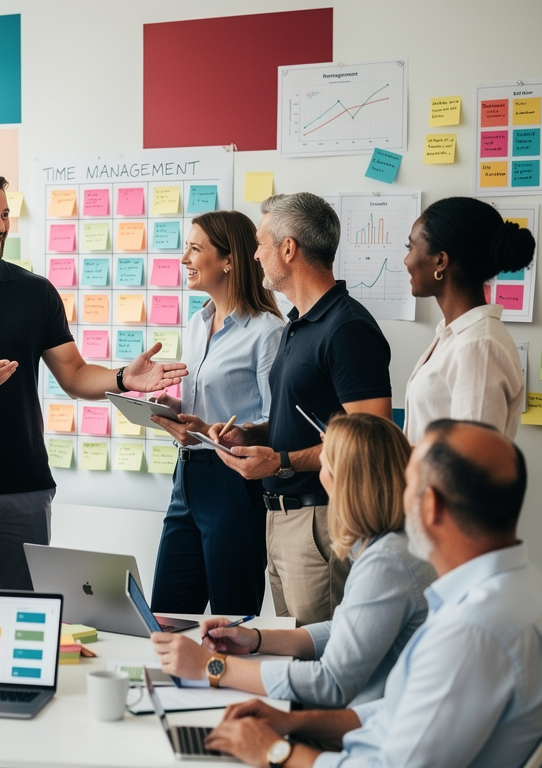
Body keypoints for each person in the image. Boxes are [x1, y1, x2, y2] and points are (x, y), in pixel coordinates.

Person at [0, 170, 188, 590]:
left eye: (6, 214)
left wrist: (123, 378)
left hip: (25, 486)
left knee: (25, 621)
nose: (1, 226)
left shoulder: (36, 292)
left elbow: (75, 374)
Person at [203, 419, 542, 768]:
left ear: (431, 506)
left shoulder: (470, 631)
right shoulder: (514, 589)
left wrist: (277, 752)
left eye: (408, 481)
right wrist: (293, 721)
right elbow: (402, 711)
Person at [152, 413, 436, 709]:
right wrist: (255, 639)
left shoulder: (387, 563)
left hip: (360, 725)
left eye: (326, 457)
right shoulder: (387, 547)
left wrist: (211, 666)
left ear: (346, 477)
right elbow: (339, 629)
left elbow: (329, 683)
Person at [211, 192, 392, 626]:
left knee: (321, 665)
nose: (254, 256)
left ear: (288, 249)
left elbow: (370, 439)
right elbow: (303, 420)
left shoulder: (346, 328)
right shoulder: (298, 324)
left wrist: (282, 461)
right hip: (281, 520)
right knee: (294, 659)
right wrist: (252, 435)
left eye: (260, 243)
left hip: (321, 520)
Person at [148, 210, 283, 615]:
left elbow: (277, 424)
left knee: (232, 618)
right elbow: (201, 406)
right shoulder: (196, 322)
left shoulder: (267, 331)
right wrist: (173, 409)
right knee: (166, 616)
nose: (184, 259)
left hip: (233, 485)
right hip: (186, 478)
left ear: (229, 260)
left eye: (195, 249)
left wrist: (214, 429)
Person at [403, 196, 535, 443]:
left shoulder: (479, 347)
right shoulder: (454, 335)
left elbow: (469, 467)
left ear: (440, 261)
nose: (406, 260)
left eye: (409, 247)